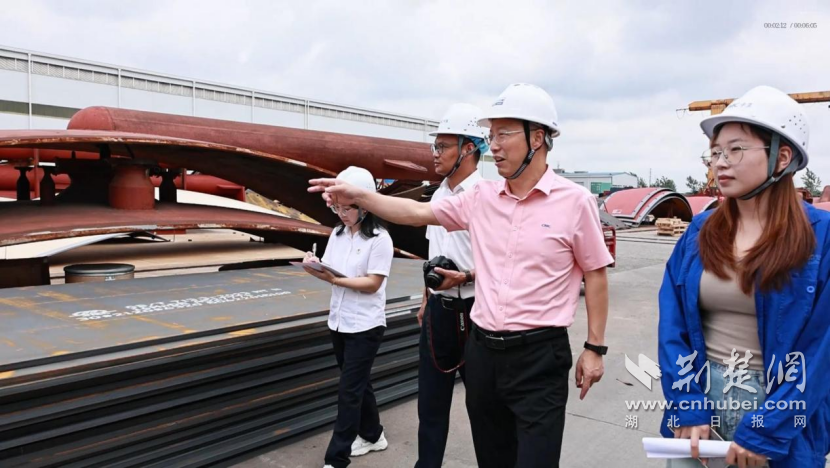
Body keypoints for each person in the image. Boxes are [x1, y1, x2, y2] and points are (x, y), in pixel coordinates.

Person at [310, 83, 613, 468]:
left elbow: (595, 273)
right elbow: (413, 213)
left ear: (537, 138)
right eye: (491, 135)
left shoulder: (575, 202)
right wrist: (358, 196)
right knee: (492, 458)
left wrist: (594, 347)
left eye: (503, 134)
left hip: (539, 356)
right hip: (483, 350)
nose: (494, 146)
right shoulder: (481, 198)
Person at [658, 85, 830, 468]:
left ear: (782, 157)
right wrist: (687, 403)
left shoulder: (822, 238)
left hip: (783, 411)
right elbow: (673, 325)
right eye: (715, 151)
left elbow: (822, 352)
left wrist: (768, 429)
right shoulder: (700, 231)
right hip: (701, 403)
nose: (720, 163)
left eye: (735, 150)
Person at [302, 166, 394, 468]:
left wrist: (335, 280)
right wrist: (314, 266)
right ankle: (373, 435)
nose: (341, 214)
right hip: (339, 320)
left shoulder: (380, 239)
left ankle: (336, 458)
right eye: (337, 208)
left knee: (349, 391)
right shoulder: (338, 234)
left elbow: (373, 283)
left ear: (365, 204)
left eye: (347, 208)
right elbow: (330, 270)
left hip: (365, 325)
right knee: (358, 384)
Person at [415, 103, 489, 468]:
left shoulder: (487, 197)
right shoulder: (439, 195)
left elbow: (502, 265)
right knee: (430, 404)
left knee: (484, 407)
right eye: (436, 145)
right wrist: (426, 299)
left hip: (476, 314)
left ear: (468, 148)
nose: (435, 153)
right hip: (438, 313)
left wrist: (466, 277)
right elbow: (434, 253)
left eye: (443, 146)